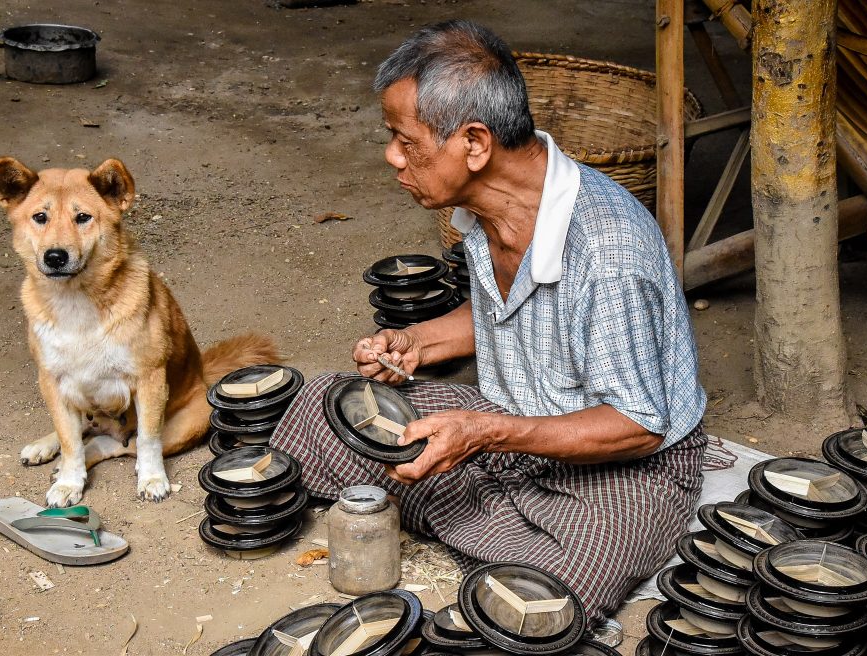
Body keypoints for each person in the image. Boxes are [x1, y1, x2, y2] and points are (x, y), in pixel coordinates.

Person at [270, 19, 707, 632]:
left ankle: (485, 521)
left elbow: (636, 425)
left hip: (620, 466)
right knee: (325, 401)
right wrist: (417, 342)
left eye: (405, 141)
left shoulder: (608, 248)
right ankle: (487, 510)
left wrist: (484, 432)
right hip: (511, 424)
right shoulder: (485, 210)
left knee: (554, 590)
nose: (392, 156)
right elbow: (505, 312)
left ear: (474, 144)